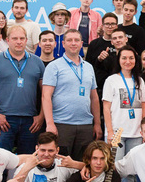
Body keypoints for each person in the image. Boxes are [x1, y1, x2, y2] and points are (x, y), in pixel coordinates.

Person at [0, 25, 45, 155]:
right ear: (7, 40)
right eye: (15, 38)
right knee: (1, 159)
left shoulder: (37, 62)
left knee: (27, 159)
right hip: (4, 119)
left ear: (26, 40)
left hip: (30, 120)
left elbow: (46, 93)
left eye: (22, 38)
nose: (19, 42)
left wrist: (41, 116)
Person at [42, 29, 101, 160]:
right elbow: (46, 96)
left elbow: (94, 98)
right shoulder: (54, 66)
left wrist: (97, 123)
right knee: (61, 164)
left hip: (85, 125)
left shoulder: (89, 67)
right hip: (61, 124)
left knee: (83, 164)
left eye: (76, 40)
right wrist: (50, 123)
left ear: (81, 44)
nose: (73, 43)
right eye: (69, 40)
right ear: (63, 44)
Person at [102, 46, 145, 182]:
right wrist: (109, 131)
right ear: (119, 60)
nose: (128, 61)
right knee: (115, 171)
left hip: (136, 134)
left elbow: (143, 106)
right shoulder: (111, 80)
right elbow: (106, 108)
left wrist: (144, 131)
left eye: (131, 58)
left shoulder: (139, 80)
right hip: (117, 134)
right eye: (124, 58)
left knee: (131, 172)